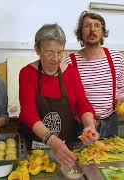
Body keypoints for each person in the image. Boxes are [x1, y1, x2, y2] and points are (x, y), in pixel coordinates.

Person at [19, 23, 99, 167]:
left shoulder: (71, 72)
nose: (55, 58)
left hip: (66, 145)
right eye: (49, 52)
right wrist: (51, 139)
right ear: (37, 49)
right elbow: (28, 112)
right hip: (36, 147)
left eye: (59, 52)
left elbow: (82, 103)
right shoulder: (27, 73)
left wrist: (89, 125)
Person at [65, 11, 124, 138]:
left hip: (111, 122)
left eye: (97, 26)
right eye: (87, 26)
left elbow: (121, 87)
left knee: (112, 156)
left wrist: (121, 99)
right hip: (81, 125)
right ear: (80, 32)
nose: (92, 29)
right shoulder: (69, 62)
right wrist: (84, 117)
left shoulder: (116, 57)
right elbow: (68, 98)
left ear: (103, 32)